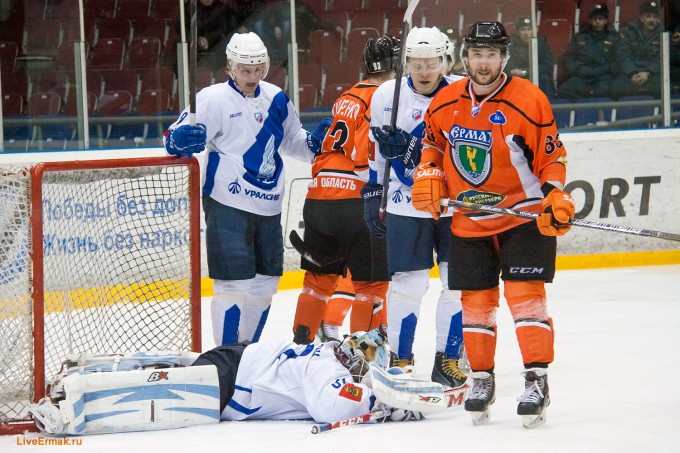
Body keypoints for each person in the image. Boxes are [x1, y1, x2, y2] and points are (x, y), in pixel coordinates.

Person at [415, 22, 573, 427]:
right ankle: (482, 381)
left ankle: (536, 380)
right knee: (475, 304)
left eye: (491, 55)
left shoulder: (528, 98)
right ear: (464, 57)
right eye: (476, 55)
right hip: (469, 219)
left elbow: (551, 156)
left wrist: (555, 194)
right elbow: (432, 143)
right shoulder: (445, 101)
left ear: (504, 57)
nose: (483, 63)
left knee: (525, 298)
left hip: (523, 216)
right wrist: (429, 172)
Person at [164, 32, 329, 348]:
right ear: (230, 67)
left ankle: (247, 354)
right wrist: (179, 140)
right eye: (245, 70)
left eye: (258, 69)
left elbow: (292, 140)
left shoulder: (276, 98)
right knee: (233, 287)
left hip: (269, 206)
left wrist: (313, 144)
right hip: (227, 204)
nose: (252, 76)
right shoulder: (212, 99)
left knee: (265, 286)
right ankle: (228, 357)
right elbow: (174, 135)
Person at [29, 329, 425, 435]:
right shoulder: (329, 371)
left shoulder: (323, 352)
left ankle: (85, 370)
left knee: (172, 370)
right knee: (157, 392)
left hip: (234, 357)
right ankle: (68, 408)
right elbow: (333, 406)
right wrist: (381, 405)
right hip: (232, 381)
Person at [365, 26, 467, 389]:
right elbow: (377, 149)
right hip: (404, 203)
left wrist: (409, 149)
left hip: (453, 204)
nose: (424, 71)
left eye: (432, 63)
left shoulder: (463, 92)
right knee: (408, 284)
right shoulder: (385, 95)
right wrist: (372, 190)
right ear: (405, 63)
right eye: (416, 63)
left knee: (458, 284)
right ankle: (401, 359)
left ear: (446, 62)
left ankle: (448, 359)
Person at [291, 36, 400, 345]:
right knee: (371, 287)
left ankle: (301, 349)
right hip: (356, 200)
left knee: (317, 283)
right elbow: (366, 154)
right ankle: (365, 358)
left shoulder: (347, 95)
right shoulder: (385, 98)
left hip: (319, 197)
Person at [557, 3, 621, 100]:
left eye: (600, 19)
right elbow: (568, 57)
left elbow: (619, 59)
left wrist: (606, 70)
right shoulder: (579, 36)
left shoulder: (614, 37)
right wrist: (574, 70)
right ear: (590, 20)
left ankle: (589, 96)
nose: (597, 22)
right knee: (564, 90)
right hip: (582, 76)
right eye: (595, 19)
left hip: (603, 76)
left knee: (608, 90)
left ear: (606, 21)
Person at [611, 0, 666, 99]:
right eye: (648, 16)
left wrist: (648, 73)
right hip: (631, 72)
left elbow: (662, 58)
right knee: (616, 87)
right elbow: (623, 55)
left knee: (662, 88)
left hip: (653, 73)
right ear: (641, 18)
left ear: (658, 19)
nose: (651, 20)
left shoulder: (664, 34)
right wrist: (632, 73)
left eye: (655, 17)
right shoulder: (629, 33)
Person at [504, 17, 555, 98]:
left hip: (537, 74)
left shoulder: (541, 43)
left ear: (534, 31)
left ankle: (547, 104)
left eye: (529, 29)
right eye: (523, 30)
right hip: (517, 75)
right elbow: (507, 62)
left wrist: (526, 71)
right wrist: (514, 71)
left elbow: (547, 64)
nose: (526, 33)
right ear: (517, 32)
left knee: (545, 80)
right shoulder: (510, 44)